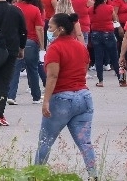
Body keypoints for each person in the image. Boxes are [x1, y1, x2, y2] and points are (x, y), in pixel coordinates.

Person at [36, 12, 98, 178]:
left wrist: (46, 101)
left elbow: (53, 76)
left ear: (60, 29)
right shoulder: (80, 47)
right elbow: (84, 70)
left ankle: (36, 175)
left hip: (62, 98)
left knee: (45, 141)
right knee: (85, 142)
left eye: (51, 27)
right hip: (84, 97)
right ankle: (94, 175)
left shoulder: (55, 48)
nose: (48, 30)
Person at [9, 0, 44, 105]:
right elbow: (39, 28)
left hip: (15, 41)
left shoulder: (12, 8)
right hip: (31, 42)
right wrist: (42, 45)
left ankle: (11, 95)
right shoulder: (35, 10)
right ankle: (36, 97)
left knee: (15, 69)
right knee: (32, 69)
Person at [88, 0, 122, 87]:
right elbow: (115, 20)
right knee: (114, 57)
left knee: (99, 58)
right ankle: (120, 79)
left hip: (95, 34)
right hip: (108, 33)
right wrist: (119, 29)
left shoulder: (91, 9)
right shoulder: (109, 8)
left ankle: (100, 81)